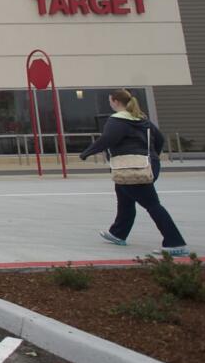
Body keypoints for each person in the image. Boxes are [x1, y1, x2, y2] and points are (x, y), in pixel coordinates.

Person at [79, 88, 188, 256]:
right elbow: (159, 139)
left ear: (115, 101)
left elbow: (107, 139)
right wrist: (152, 158)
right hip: (144, 164)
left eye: (110, 100)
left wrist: (87, 153)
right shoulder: (141, 119)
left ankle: (175, 242)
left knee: (152, 204)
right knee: (124, 199)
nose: (110, 103)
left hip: (130, 167)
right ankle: (118, 233)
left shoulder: (117, 120)